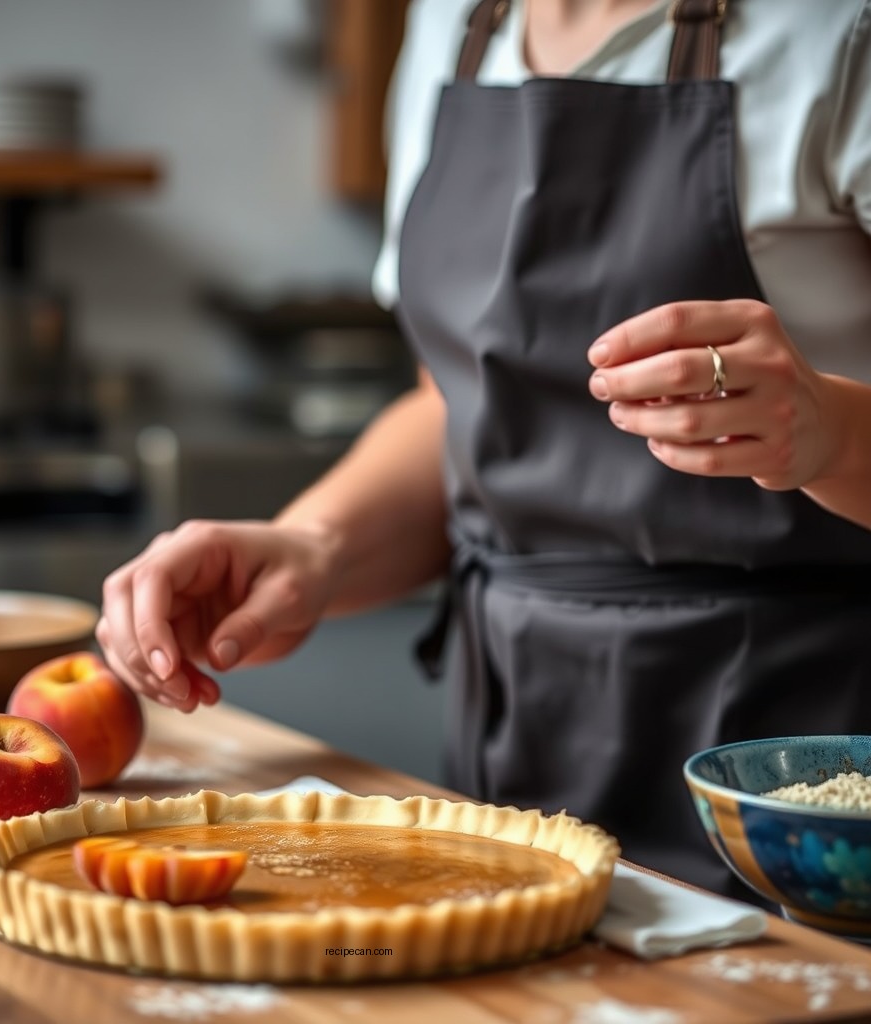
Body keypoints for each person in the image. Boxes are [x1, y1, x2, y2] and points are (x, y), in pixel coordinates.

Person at [96, 0, 871, 900]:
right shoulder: (452, 24)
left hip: (799, 777)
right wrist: (315, 543)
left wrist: (832, 431)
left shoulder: (836, 29)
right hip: (513, 748)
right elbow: (458, 404)